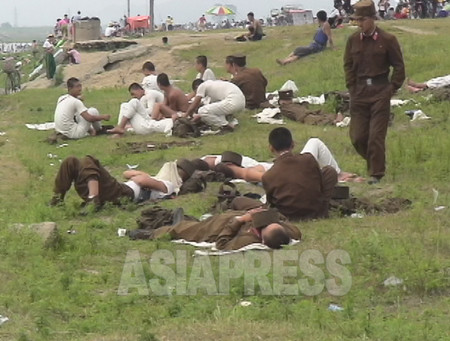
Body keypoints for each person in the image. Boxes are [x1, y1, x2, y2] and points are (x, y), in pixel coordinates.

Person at [344, 0, 405, 184]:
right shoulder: (353, 40)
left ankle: (376, 174)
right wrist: (352, 87)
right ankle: (374, 162)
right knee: (357, 137)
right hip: (360, 92)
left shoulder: (388, 40)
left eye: (362, 20)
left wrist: (391, 88)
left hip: (380, 91)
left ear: (372, 18)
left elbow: (399, 67)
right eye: (357, 20)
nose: (359, 24)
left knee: (375, 137)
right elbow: (348, 65)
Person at [233, 127, 337, 221]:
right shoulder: (309, 158)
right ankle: (323, 211)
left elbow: (271, 203)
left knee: (239, 201)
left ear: (271, 148)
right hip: (316, 210)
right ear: (293, 144)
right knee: (330, 171)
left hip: (288, 215)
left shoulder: (269, 175)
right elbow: (319, 181)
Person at [49, 155, 195, 208]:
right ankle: (57, 198)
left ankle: (93, 198)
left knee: (89, 160)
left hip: (124, 193)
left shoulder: (169, 186)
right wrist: (143, 176)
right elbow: (127, 173)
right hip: (118, 190)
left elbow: (141, 181)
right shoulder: (156, 179)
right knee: (71, 161)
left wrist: (143, 176)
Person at [132, 208, 301, 250]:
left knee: (178, 230)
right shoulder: (287, 232)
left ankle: (136, 234)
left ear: (262, 240)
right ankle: (180, 219)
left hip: (215, 229)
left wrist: (240, 220)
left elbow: (221, 244)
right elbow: (292, 229)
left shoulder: (248, 240)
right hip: (230, 216)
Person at [211, 138, 364, 183]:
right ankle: (339, 175)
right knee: (314, 142)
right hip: (289, 168)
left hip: (283, 167)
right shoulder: (248, 169)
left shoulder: (248, 170)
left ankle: (339, 175)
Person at [107, 83, 172, 137]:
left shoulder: (150, 94)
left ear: (139, 90)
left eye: (133, 94)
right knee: (125, 105)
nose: (133, 96)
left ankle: (121, 128)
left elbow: (151, 110)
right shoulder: (143, 97)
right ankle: (120, 127)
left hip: (150, 121)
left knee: (133, 102)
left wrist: (136, 110)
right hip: (148, 122)